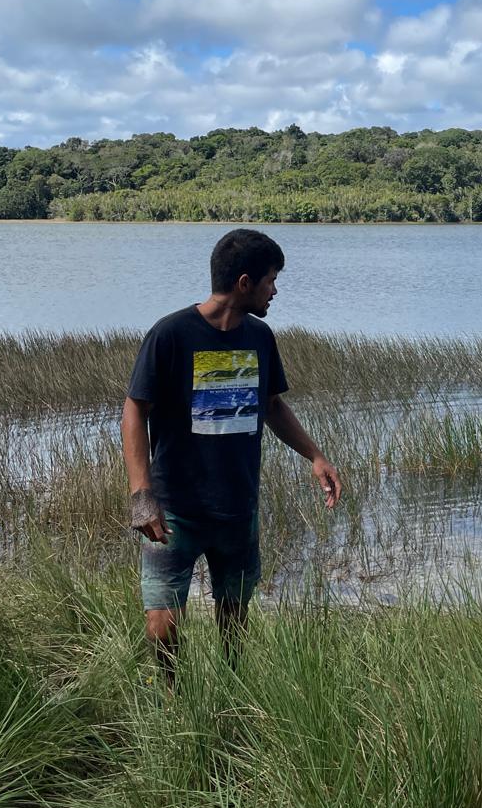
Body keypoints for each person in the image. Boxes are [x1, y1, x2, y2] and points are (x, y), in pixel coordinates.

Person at [121, 228, 341, 671]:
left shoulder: (260, 338)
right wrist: (141, 495)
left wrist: (315, 456)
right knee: (162, 624)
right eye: (270, 281)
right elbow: (134, 410)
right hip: (175, 508)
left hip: (238, 506)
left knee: (235, 617)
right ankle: (172, 701)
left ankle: (232, 691)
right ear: (245, 283)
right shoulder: (171, 334)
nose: (275, 291)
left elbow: (272, 405)